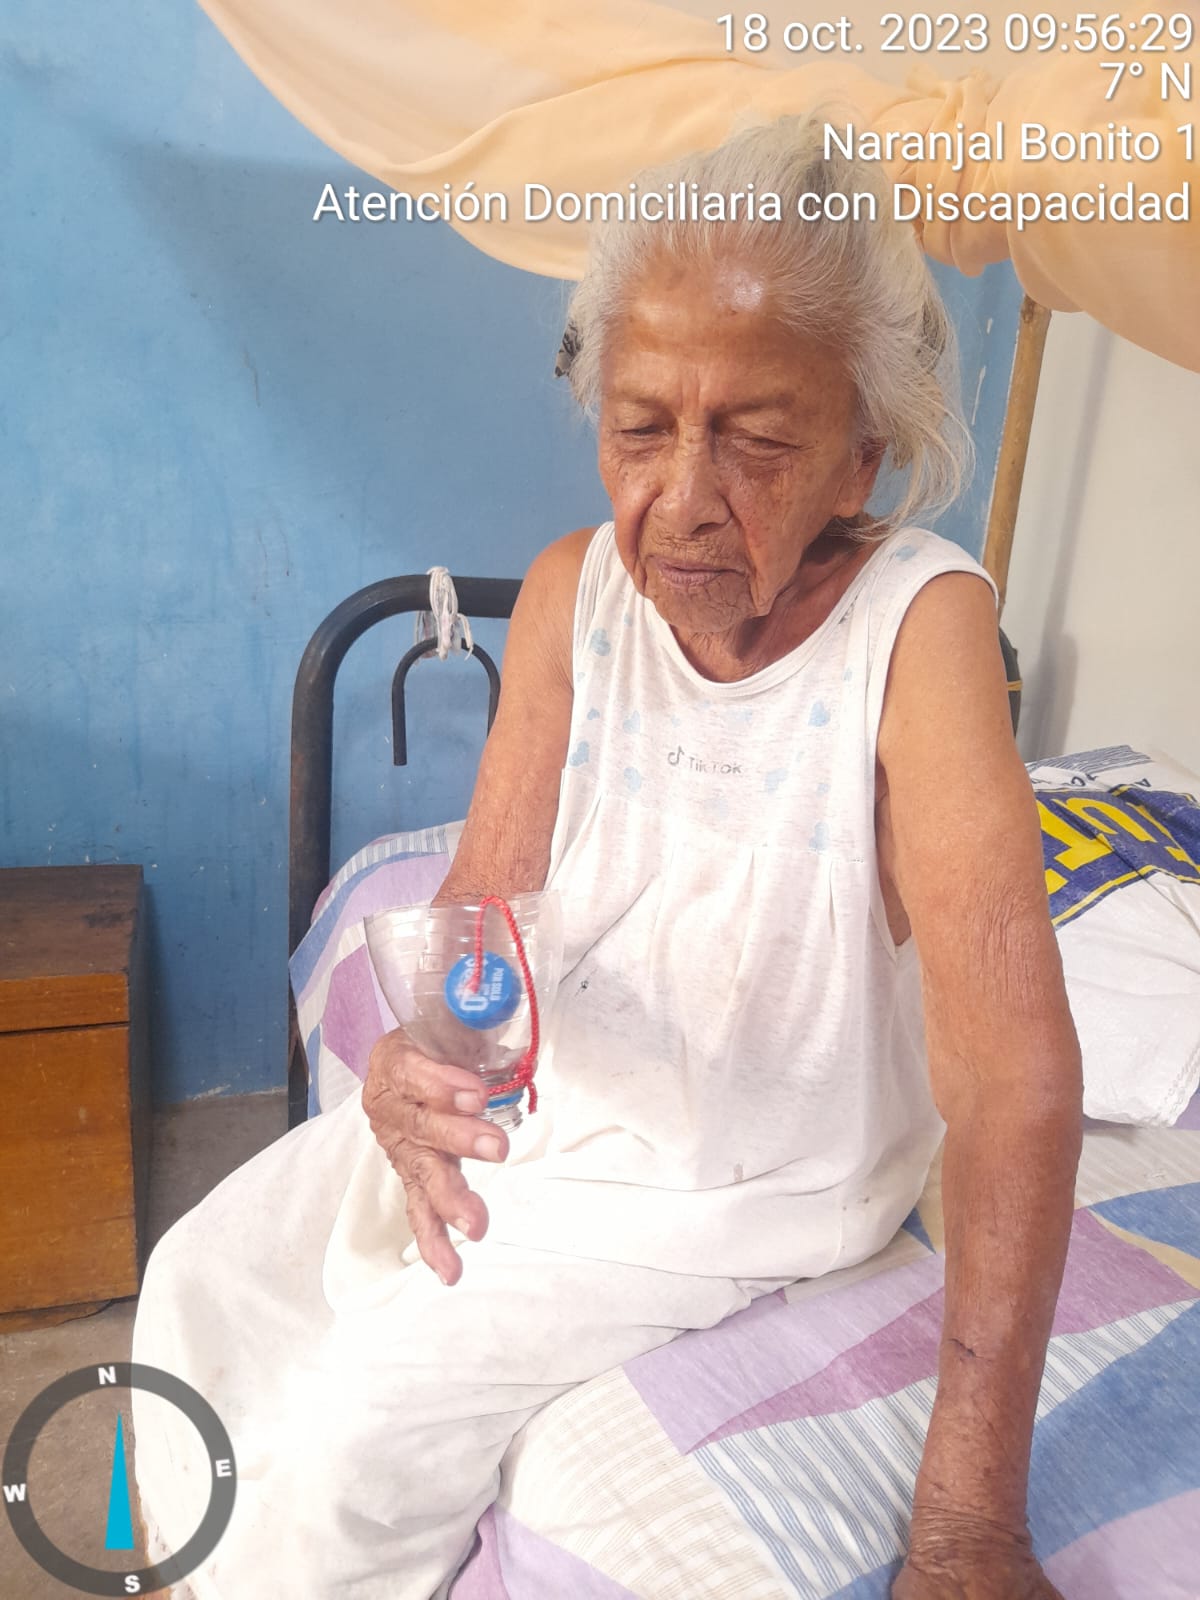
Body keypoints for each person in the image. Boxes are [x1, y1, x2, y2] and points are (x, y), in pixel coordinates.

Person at [132, 113, 1083, 1600]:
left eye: (757, 440)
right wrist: (414, 1077)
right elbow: (482, 904)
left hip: (740, 1189)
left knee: (338, 1462)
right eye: (643, 429)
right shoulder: (575, 591)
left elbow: (1013, 1071)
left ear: (862, 457)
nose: (685, 497)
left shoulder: (921, 626)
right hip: (547, 1120)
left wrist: (970, 1523)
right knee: (200, 1276)